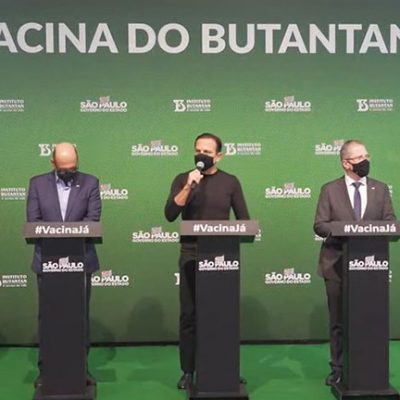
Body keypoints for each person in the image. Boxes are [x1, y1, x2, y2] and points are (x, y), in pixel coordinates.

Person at [165, 132, 250, 390]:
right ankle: (188, 371)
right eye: (198, 150)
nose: (201, 156)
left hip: (222, 259)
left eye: (207, 152)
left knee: (221, 316)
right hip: (191, 256)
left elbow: (245, 221)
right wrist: (190, 186)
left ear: (219, 156)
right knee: (189, 316)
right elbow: (170, 214)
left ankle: (225, 368)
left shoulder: (231, 182)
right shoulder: (183, 179)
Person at [313, 139, 396, 386]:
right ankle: (338, 368)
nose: (366, 161)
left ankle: (368, 365)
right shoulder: (329, 189)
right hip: (336, 264)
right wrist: (345, 229)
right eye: (360, 157)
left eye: (367, 155)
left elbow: (391, 222)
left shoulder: (380, 189)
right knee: (339, 320)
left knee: (369, 319)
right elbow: (319, 225)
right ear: (346, 163)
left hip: (371, 267)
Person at [27, 142, 101, 388]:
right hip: (47, 262)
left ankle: (81, 368)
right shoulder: (37, 184)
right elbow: (33, 221)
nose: (69, 172)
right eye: (63, 168)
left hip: (80, 261)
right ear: (52, 164)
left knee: (79, 318)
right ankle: (46, 371)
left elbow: (92, 221)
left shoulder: (90, 183)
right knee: (48, 318)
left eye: (73, 167)